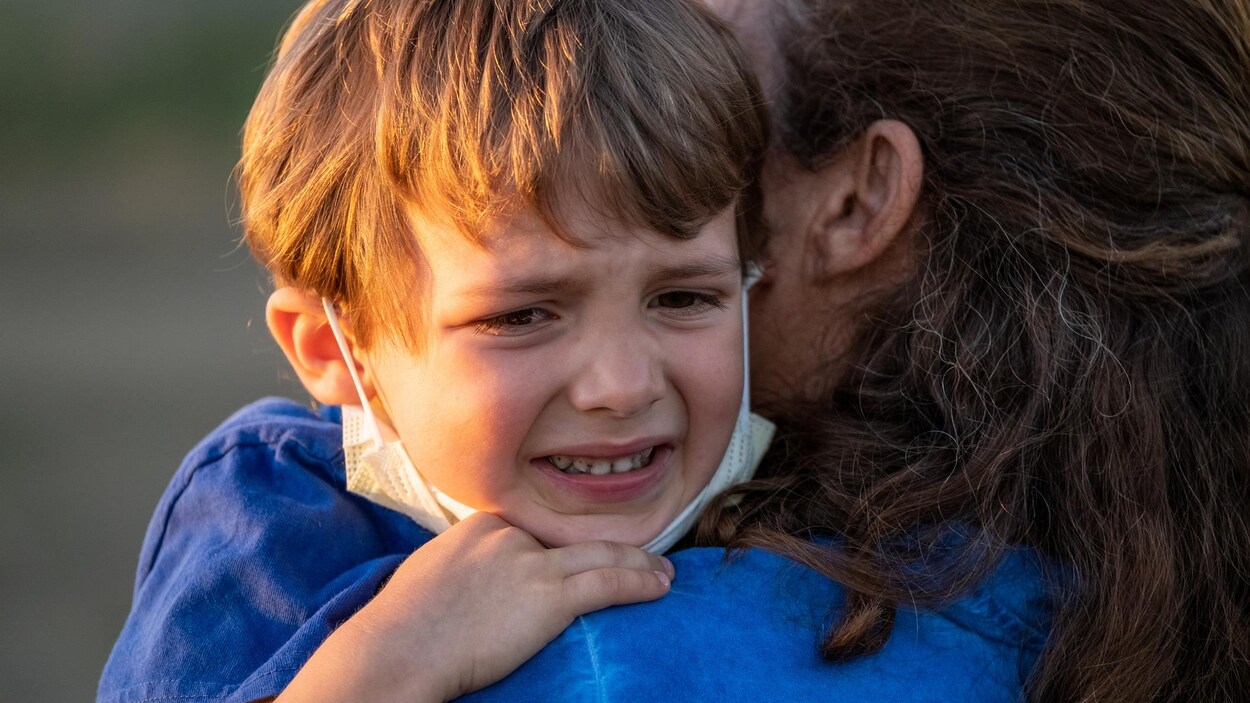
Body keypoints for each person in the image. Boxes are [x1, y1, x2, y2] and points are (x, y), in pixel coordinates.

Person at [461, 0, 1250, 700]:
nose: (625, 81)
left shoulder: (594, 657)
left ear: (856, 201)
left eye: (703, 53)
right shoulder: (1151, 591)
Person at [97, 1, 772, 701]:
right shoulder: (266, 523)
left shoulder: (795, 491)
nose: (624, 386)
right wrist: (388, 660)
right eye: (523, 315)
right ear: (338, 348)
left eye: (683, 298)